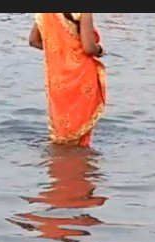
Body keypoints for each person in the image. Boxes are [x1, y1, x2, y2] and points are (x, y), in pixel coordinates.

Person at [28, 13, 106, 147]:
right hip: (82, 74)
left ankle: (60, 161)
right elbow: (88, 48)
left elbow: (33, 41)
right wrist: (100, 50)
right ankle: (78, 162)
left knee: (61, 126)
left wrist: (60, 50)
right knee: (80, 127)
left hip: (58, 78)